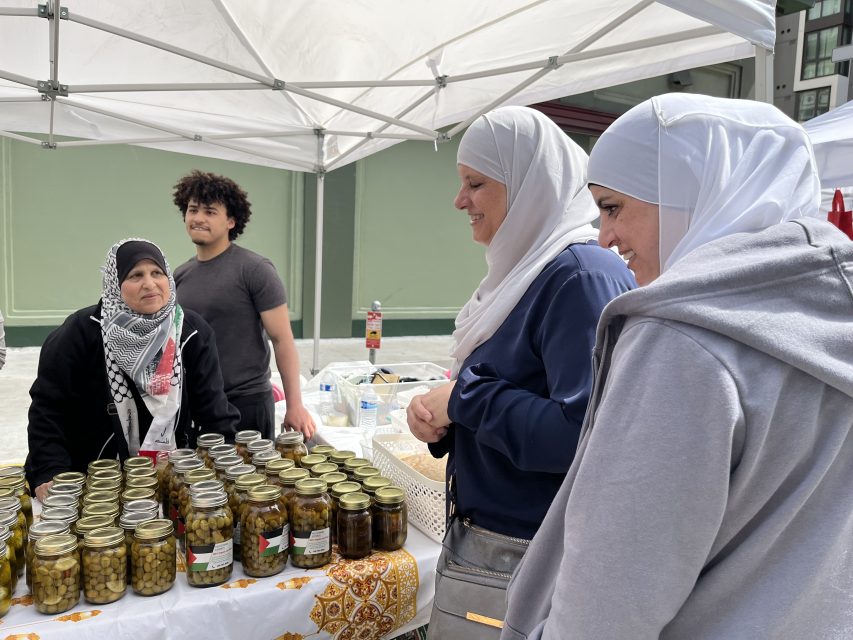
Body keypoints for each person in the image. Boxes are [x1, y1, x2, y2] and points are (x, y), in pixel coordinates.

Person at [502, 94, 853, 640]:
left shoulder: (681, 340)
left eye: (614, 206)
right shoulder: (831, 314)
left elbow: (611, 595)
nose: (605, 237)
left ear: (694, 193)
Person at [406, 106, 635, 636]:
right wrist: (448, 423)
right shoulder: (527, 267)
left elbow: (582, 435)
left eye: (475, 184)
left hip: (529, 553)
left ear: (530, 185)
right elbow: (518, 387)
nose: (459, 200)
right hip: (492, 541)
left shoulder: (579, 277)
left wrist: (465, 398)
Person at [25, 239, 240, 501]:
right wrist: (50, 471)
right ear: (115, 284)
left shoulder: (191, 332)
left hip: (173, 482)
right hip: (94, 487)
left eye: (157, 273)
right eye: (136, 275)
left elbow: (215, 412)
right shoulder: (79, 333)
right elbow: (48, 411)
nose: (149, 284)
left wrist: (223, 465)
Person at [172, 170, 315, 440]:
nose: (198, 218)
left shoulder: (254, 270)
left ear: (231, 221)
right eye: (193, 210)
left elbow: (282, 338)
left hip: (246, 403)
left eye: (210, 212)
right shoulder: (179, 276)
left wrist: (295, 405)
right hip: (196, 405)